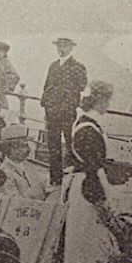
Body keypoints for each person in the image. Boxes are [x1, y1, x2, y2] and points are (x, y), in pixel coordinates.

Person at [58, 80, 116, 263]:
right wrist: (102, 199)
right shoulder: (87, 129)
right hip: (86, 191)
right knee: (86, 247)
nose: (108, 105)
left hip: (84, 186)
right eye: (107, 100)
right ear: (100, 100)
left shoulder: (88, 123)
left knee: (87, 246)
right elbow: (93, 167)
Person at [41, 37, 88, 187]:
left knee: (71, 145)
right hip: (52, 112)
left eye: (65, 46)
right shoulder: (53, 66)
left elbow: (81, 86)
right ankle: (55, 179)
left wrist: (64, 96)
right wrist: (46, 105)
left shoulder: (78, 66)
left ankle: (74, 180)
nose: (61, 49)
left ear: (71, 48)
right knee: (53, 146)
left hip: (67, 112)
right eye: (59, 46)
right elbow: (47, 86)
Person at [0, 124, 46, 200]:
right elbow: (12, 203)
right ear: (7, 148)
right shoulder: (4, 173)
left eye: (25, 145)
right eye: (17, 146)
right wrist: (33, 193)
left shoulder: (28, 166)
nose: (25, 150)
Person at [0, 40, 20, 113]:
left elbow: (16, 76)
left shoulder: (6, 63)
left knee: (1, 111)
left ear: (3, 52)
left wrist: (6, 86)